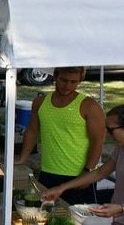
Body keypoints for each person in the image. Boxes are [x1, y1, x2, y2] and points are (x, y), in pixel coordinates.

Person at [16, 67, 105, 205]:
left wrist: (88, 170)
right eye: (64, 80)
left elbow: (97, 141)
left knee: (77, 221)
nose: (68, 85)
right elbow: (32, 130)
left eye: (73, 82)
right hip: (48, 172)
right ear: (55, 77)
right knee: (45, 216)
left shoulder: (89, 106)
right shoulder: (40, 102)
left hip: (78, 175)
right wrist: (22, 158)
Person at [43, 105, 124, 225]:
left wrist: (121, 208)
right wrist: (61, 188)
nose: (107, 134)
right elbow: (100, 172)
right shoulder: (120, 149)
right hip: (115, 222)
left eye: (111, 129)